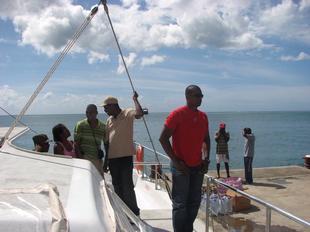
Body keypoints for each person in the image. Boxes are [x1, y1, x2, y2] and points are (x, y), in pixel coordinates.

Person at [159, 85, 210, 232]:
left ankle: (188, 228)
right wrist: (176, 161)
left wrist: (205, 159)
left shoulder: (203, 116)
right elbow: (163, 139)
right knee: (180, 204)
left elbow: (206, 139)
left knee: (194, 202)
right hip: (181, 167)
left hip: (198, 166)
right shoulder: (177, 115)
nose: (200, 98)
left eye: (201, 96)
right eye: (197, 95)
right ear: (188, 97)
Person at [101, 91, 143, 216]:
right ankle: (122, 212)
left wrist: (135, 100)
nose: (105, 110)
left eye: (106, 107)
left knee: (127, 186)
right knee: (117, 186)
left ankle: (134, 213)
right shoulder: (109, 120)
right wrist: (106, 161)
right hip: (113, 159)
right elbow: (107, 142)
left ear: (113, 105)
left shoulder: (127, 113)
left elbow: (139, 114)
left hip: (125, 157)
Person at [74, 104, 106, 176]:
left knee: (100, 182)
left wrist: (106, 161)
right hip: (84, 158)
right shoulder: (80, 125)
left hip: (97, 160)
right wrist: (81, 160)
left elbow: (106, 144)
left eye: (91, 112)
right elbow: (76, 144)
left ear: (96, 113)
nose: (89, 114)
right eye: (87, 112)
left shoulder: (103, 126)